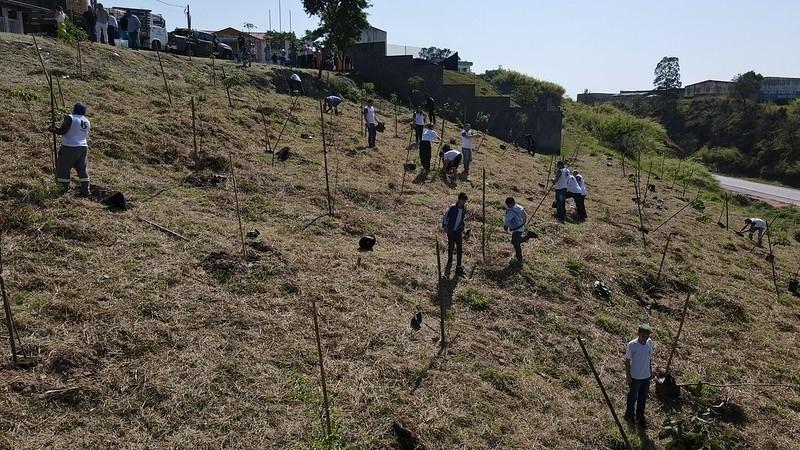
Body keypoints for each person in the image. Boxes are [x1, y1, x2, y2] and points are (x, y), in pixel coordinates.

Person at [52, 102, 92, 196]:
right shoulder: (86, 121)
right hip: (83, 147)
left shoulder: (70, 117)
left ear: (74, 109)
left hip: (70, 146)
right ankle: (85, 190)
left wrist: (54, 129)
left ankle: (62, 189)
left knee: (64, 167)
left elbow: (63, 131)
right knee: (82, 169)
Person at [625, 324, 654, 428]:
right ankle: (629, 416)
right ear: (638, 334)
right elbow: (627, 360)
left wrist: (650, 371)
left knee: (643, 398)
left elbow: (649, 358)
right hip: (635, 377)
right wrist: (628, 376)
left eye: (646, 337)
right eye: (642, 336)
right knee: (632, 397)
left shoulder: (649, 342)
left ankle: (640, 418)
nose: (644, 339)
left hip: (645, 376)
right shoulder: (632, 345)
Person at [441, 193, 468, 277]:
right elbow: (445, 216)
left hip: (458, 231)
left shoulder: (464, 209)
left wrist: (463, 229)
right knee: (451, 247)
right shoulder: (452, 208)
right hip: (451, 231)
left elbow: (462, 219)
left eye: (465, 201)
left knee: (460, 249)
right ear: (459, 199)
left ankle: (458, 267)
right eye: (463, 201)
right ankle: (449, 264)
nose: (464, 202)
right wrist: (445, 225)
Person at [503, 197, 532, 262]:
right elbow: (524, 215)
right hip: (521, 226)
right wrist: (524, 222)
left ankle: (519, 258)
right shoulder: (519, 207)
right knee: (515, 242)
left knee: (516, 242)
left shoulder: (511, 211)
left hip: (517, 228)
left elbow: (508, 219)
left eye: (508, 204)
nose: (508, 206)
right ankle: (519, 256)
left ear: (512, 203)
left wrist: (506, 226)